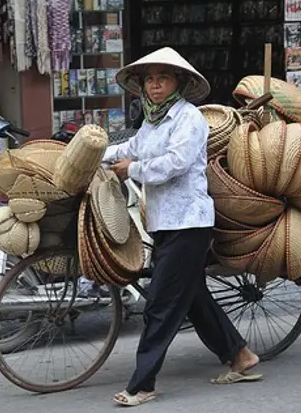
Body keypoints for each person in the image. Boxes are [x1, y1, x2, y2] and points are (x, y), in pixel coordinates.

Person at [103, 47, 261, 407]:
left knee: (161, 303)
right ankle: (241, 356)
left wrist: (133, 170)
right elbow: (134, 146)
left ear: (179, 83)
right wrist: (97, 152)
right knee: (192, 297)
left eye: (163, 78)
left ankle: (142, 384)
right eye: (149, 80)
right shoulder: (152, 120)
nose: (155, 86)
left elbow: (175, 163)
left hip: (190, 222)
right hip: (165, 222)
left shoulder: (189, 119)